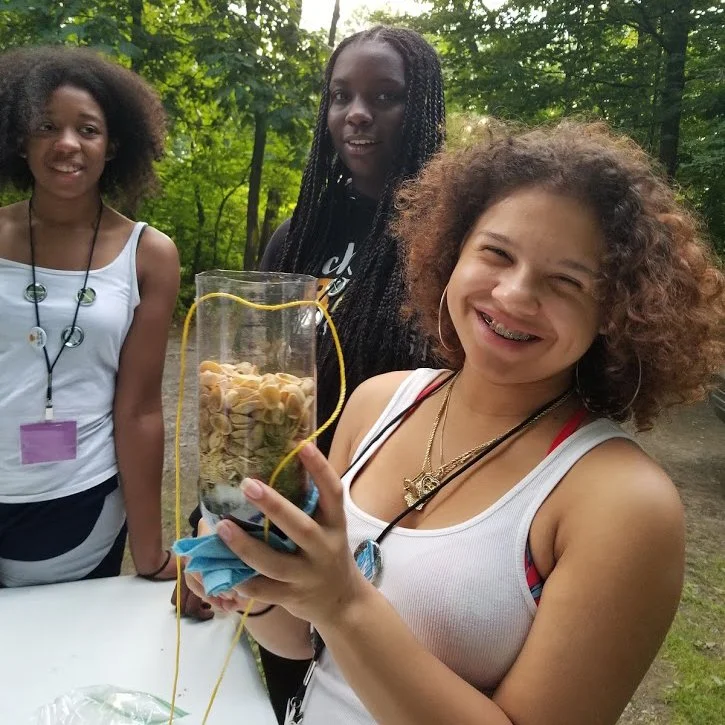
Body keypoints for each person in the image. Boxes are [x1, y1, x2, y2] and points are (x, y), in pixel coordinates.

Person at [187, 121, 725, 725]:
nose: (516, 295)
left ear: (615, 311)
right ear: (450, 253)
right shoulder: (377, 403)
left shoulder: (623, 503)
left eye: (566, 282)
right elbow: (302, 642)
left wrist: (343, 602)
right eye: (496, 253)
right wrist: (258, 576)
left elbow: (337, 612)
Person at [177, 25, 446, 719]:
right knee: (275, 686)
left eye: (383, 97)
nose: (355, 113)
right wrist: (213, 522)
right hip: (275, 517)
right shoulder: (298, 234)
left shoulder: (446, 241)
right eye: (340, 95)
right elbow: (246, 378)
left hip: (375, 529)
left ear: (421, 111)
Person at [0, 46, 179, 587]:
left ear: (113, 145)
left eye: (88, 129)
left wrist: (151, 556)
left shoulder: (148, 255)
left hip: (79, 505)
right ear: (20, 139)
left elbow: (141, 410)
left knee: (66, 662)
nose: (67, 144)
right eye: (47, 125)